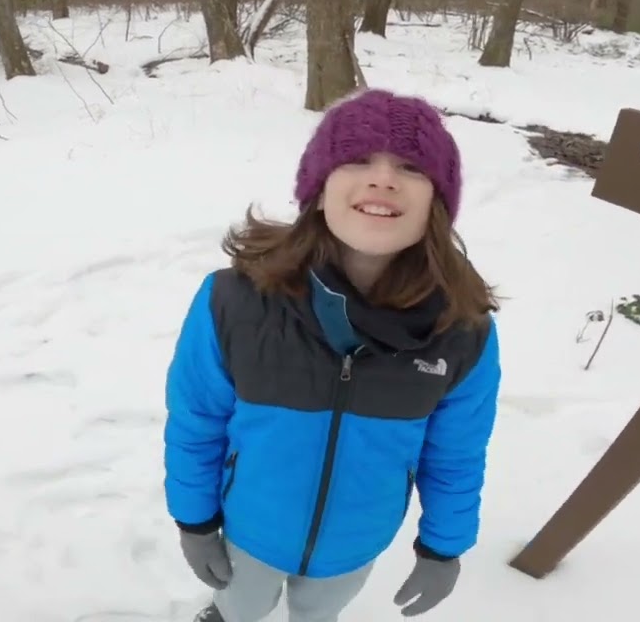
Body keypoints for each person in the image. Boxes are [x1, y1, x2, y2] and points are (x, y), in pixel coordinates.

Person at [162, 88, 502, 622]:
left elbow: (456, 454)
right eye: (358, 159)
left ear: (435, 204)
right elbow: (197, 421)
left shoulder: (462, 330)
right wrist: (195, 521)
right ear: (319, 191)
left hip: (356, 545)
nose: (383, 178)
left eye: (410, 167)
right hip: (249, 531)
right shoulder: (234, 302)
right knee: (240, 608)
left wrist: (443, 548)